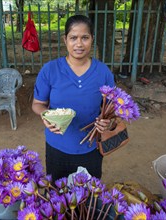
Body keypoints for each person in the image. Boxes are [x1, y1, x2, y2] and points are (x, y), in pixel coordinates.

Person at [32, 14, 115, 181]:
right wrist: (45, 115)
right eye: (73, 38)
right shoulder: (50, 70)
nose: (79, 44)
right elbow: (38, 104)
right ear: (65, 40)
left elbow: (112, 109)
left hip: (91, 148)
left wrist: (106, 121)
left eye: (84, 37)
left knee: (89, 198)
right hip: (57, 147)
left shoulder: (103, 72)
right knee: (59, 200)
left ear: (92, 39)